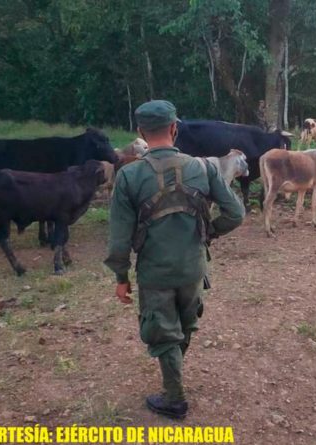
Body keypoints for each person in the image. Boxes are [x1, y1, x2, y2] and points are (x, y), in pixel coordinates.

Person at [105, 100, 245, 419]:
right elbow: (236, 213)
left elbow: (119, 240)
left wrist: (121, 277)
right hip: (194, 267)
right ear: (173, 129)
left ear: (140, 131)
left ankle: (174, 398)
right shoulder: (204, 167)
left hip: (155, 272)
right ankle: (174, 375)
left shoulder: (129, 176)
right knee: (184, 326)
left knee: (164, 332)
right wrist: (208, 233)